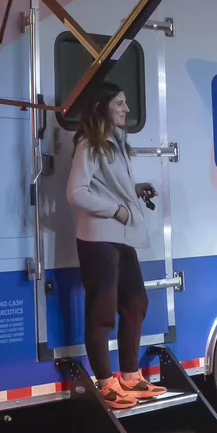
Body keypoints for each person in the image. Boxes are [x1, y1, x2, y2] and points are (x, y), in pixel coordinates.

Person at [66, 82, 165, 409]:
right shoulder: (89, 144)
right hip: (99, 239)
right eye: (119, 104)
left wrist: (134, 190)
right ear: (101, 108)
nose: (126, 110)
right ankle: (106, 383)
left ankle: (130, 376)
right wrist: (117, 209)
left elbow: (106, 185)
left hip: (120, 237)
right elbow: (76, 192)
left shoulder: (116, 142)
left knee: (136, 303)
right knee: (103, 313)